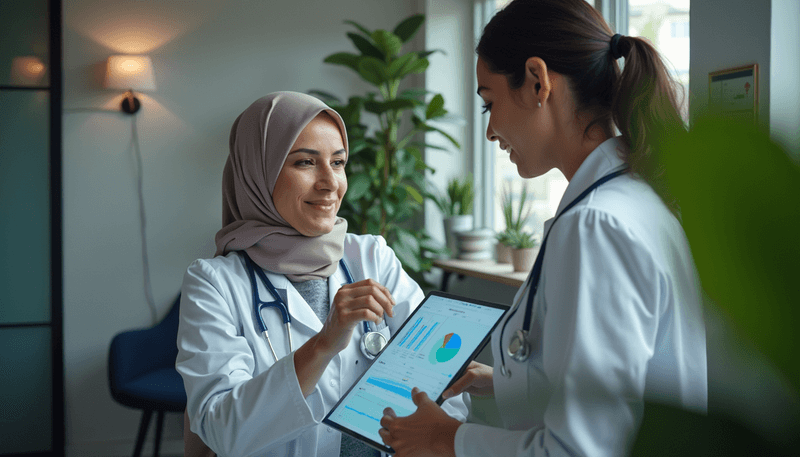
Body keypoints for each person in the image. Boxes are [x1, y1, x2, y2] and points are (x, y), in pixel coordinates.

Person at [378, 1, 708, 456]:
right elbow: (622, 390)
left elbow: (580, 450)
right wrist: (501, 383)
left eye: (488, 102)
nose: (490, 130)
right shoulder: (635, 197)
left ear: (538, 81)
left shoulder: (597, 226)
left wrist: (447, 439)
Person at [176, 91, 468, 457]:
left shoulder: (371, 256)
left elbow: (442, 381)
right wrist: (323, 345)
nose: (331, 182)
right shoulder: (214, 284)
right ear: (259, 173)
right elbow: (222, 430)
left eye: (339, 162)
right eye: (305, 163)